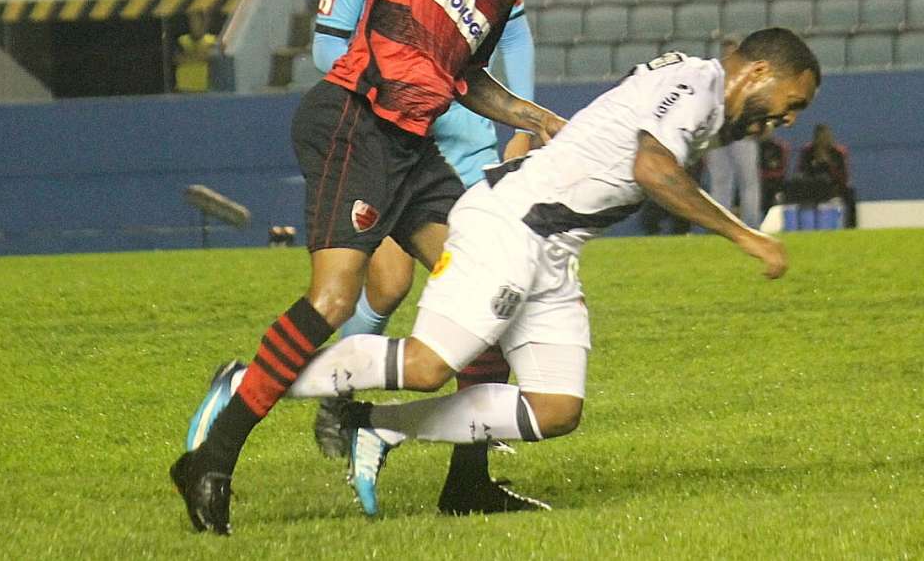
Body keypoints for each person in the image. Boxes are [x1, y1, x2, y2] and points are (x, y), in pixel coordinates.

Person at [170, 0, 565, 535]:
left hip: (412, 144)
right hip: (356, 116)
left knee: (487, 288)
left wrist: (533, 116)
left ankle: (468, 483)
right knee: (332, 300)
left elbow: (465, 75)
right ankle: (212, 457)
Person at [277, 28, 821, 517]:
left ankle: (379, 426)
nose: (789, 119)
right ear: (757, 72)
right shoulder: (698, 86)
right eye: (791, 102)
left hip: (553, 249)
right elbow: (653, 170)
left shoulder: (701, 92)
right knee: (425, 366)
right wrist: (746, 235)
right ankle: (259, 381)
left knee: (555, 409)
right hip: (511, 226)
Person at [309, 0, 538, 508]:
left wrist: (525, 125)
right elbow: (328, 44)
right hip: (387, 132)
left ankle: (469, 467)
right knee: (386, 284)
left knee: (490, 295)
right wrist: (408, 81)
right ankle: (335, 395)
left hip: (462, 145)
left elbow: (508, 43)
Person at [704, 36, 762, 227]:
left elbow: (756, 102)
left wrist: (756, 123)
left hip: (743, 133)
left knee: (748, 182)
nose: (729, 55)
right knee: (720, 182)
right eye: (726, 53)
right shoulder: (713, 78)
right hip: (718, 135)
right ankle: (721, 226)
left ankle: (751, 225)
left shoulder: (751, 77)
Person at [785, 123, 857, 228]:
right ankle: (803, 226)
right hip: (812, 185)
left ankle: (850, 226)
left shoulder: (838, 152)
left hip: (833, 185)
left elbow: (844, 175)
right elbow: (801, 170)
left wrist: (829, 164)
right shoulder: (808, 152)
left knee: (850, 194)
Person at [174, 10, 217, 93]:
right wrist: (199, 56)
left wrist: (189, 57)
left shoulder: (212, 41)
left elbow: (208, 58)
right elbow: (178, 59)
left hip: (203, 90)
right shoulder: (181, 40)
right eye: (192, 21)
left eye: (198, 22)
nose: (195, 25)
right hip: (183, 89)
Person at [758, 133, 790, 216]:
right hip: (762, 181)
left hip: (777, 180)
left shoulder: (779, 146)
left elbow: (782, 166)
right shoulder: (757, 146)